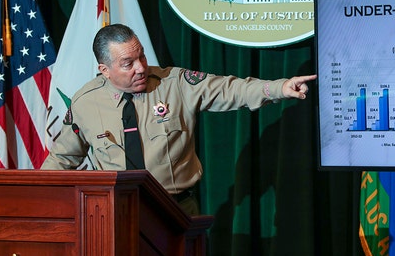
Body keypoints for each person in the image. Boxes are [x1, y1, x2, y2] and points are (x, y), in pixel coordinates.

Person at [41, 24, 316, 215]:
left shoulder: (174, 83)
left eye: (141, 57)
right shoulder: (85, 102)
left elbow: (230, 89)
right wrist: (32, 197)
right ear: (105, 70)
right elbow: (62, 159)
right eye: (128, 64)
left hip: (175, 210)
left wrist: (279, 88)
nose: (140, 68)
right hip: (113, 212)